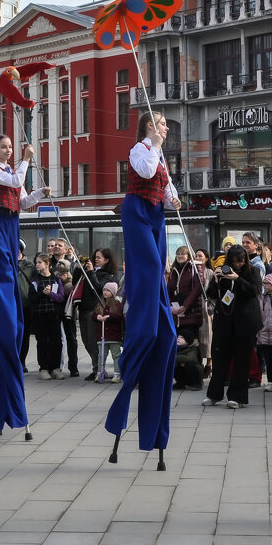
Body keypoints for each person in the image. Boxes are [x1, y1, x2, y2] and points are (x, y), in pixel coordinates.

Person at [106, 110, 182, 461]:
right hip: (136, 211)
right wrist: (154, 142)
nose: (166, 128)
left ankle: (158, 311)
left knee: (160, 270)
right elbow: (147, 171)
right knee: (150, 265)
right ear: (151, 126)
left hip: (156, 214)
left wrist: (174, 199)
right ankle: (144, 315)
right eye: (163, 123)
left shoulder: (159, 151)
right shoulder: (140, 147)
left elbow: (165, 188)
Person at [0, 134, 48, 435]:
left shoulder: (11, 172)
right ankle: (4, 303)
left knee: (12, 265)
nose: (8, 150)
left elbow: (21, 199)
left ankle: (8, 304)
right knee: (2, 272)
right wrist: (27, 158)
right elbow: (11, 184)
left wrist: (39, 195)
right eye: (4, 147)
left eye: (11, 147)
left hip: (12, 221)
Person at [202, 244, 263, 408]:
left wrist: (238, 279)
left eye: (241, 261)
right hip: (224, 323)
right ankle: (214, 395)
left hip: (245, 323)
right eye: (235, 262)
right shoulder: (223, 271)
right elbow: (211, 294)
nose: (238, 265)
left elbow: (255, 291)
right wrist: (216, 280)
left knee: (242, 362)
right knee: (220, 359)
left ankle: (237, 397)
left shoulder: (253, 271)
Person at [78, 248, 120, 380]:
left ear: (106, 260)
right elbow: (75, 282)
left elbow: (98, 287)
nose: (96, 259)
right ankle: (96, 366)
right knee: (86, 340)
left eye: (99, 257)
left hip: (94, 309)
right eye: (95, 257)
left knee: (93, 340)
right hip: (83, 308)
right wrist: (79, 267)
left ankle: (97, 368)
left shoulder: (108, 275)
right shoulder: (89, 272)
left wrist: (91, 272)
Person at [27, 253, 65, 380]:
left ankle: (55, 367)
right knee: (42, 342)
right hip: (39, 314)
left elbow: (60, 297)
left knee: (56, 341)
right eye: (36, 262)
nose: (37, 265)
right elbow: (31, 298)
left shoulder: (55, 279)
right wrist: (43, 294)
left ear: (47, 264)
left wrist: (50, 295)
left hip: (53, 314)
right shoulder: (34, 280)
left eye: (39, 262)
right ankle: (43, 367)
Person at [94, 282, 124, 382]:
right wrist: (97, 317)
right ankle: (100, 371)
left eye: (108, 290)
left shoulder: (117, 304)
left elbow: (119, 316)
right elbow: (93, 315)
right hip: (102, 335)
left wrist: (109, 317)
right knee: (101, 354)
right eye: (104, 290)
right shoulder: (100, 303)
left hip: (114, 335)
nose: (105, 292)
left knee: (116, 354)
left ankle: (117, 372)